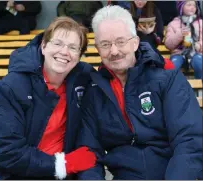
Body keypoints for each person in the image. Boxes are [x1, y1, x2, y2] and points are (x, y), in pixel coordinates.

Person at [76, 5, 202, 180]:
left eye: (121, 41)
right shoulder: (95, 91)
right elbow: (88, 152)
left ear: (135, 42)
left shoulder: (167, 77)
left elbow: (189, 140)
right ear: (97, 48)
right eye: (105, 44)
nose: (114, 51)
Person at [0, 16, 96, 180]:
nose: (64, 52)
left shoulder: (84, 81)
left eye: (73, 47)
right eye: (57, 43)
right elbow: (6, 153)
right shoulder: (10, 88)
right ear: (43, 46)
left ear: (79, 56)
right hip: (6, 174)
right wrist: (64, 164)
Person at [164, 1, 202, 79]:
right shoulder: (173, 24)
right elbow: (168, 45)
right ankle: (174, 89)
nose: (192, 7)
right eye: (189, 5)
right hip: (179, 54)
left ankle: (200, 88)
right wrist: (180, 34)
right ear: (181, 7)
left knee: (199, 63)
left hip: (196, 53)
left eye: (194, 6)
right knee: (173, 66)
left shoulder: (200, 23)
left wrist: (199, 45)